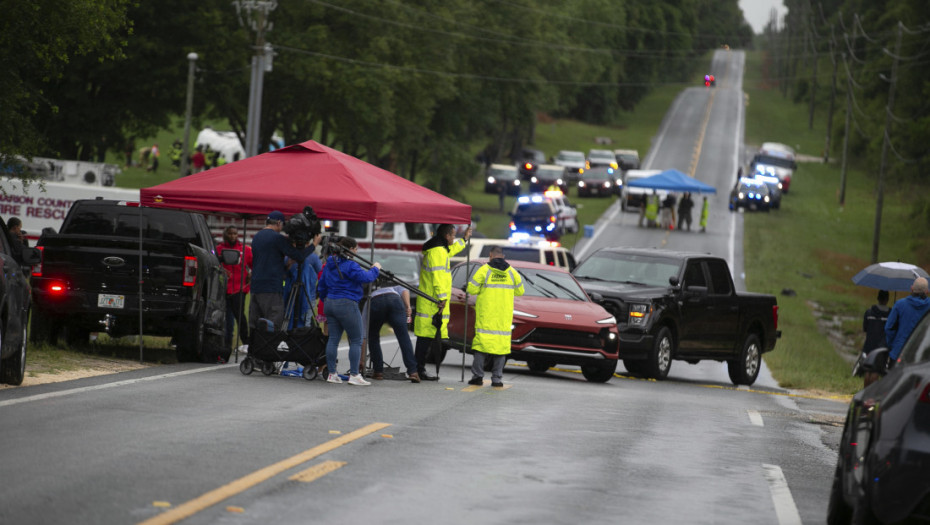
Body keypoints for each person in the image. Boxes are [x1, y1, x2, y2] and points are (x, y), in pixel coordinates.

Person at [317, 236, 381, 386]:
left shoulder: (329, 264)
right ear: (351, 249)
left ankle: (332, 373)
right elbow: (366, 277)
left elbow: (321, 286)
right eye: (356, 248)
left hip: (329, 303)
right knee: (357, 339)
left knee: (333, 339)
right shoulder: (350, 265)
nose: (357, 251)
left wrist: (327, 298)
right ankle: (354, 374)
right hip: (346, 303)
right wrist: (376, 268)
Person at [413, 223, 472, 381]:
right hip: (432, 301)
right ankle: (417, 370)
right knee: (425, 338)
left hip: (431, 300)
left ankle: (417, 369)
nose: (454, 238)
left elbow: (451, 250)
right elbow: (438, 276)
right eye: (453, 235)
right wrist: (441, 298)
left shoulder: (439, 249)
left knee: (427, 337)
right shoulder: (438, 251)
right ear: (446, 236)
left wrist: (464, 240)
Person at [466, 246, 524, 387]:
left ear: (490, 255)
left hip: (486, 315)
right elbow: (520, 291)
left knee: (481, 347)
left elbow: (471, 289)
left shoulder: (484, 270)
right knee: (501, 348)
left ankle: (478, 377)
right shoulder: (512, 272)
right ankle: (497, 379)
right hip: (503, 317)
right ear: (503, 256)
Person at [249, 211, 315, 333]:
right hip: (271, 287)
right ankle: (271, 350)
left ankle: (254, 349)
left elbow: (267, 261)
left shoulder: (257, 237)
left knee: (256, 324)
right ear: (279, 222)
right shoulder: (277, 238)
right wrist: (313, 245)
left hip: (255, 286)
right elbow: (299, 256)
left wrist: (286, 266)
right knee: (273, 323)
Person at [366, 284, 418, 382]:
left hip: (376, 301)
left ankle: (378, 372)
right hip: (395, 300)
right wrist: (408, 307)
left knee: (373, 336)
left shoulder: (371, 293)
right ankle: (413, 372)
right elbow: (404, 290)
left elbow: (364, 332)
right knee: (403, 336)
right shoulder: (394, 287)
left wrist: (361, 361)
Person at [218, 226, 252, 353]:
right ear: (225, 234)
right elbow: (214, 264)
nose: (232, 236)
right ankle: (226, 343)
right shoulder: (218, 249)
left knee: (240, 316)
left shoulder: (246, 250)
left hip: (240, 288)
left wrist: (251, 273)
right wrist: (222, 270)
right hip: (224, 289)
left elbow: (254, 264)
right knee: (226, 317)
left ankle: (246, 342)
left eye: (235, 233)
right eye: (230, 233)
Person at [884, 277, 930, 368]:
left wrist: (891, 345)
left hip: (899, 352)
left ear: (911, 288)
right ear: (927, 291)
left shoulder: (899, 304)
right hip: (922, 355)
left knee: (893, 381)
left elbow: (888, 328)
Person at [283, 232, 322, 330]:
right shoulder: (289, 257)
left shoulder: (312, 257)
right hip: (293, 294)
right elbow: (284, 274)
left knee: (304, 320)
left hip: (308, 294)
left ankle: (299, 340)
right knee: (295, 319)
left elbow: (320, 272)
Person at [858, 290, 890, 387]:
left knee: (868, 370)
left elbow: (865, 328)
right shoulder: (890, 314)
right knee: (876, 371)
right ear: (887, 299)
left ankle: (864, 392)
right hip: (882, 347)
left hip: (869, 346)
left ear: (878, 298)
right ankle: (870, 394)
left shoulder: (869, 312)